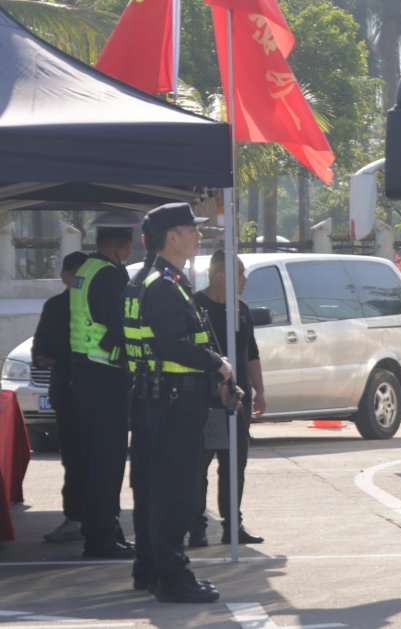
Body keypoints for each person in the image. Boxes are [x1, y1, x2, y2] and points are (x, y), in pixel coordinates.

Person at [125, 202, 235, 603]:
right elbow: (173, 344)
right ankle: (172, 578)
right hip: (173, 404)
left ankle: (150, 569)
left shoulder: (145, 279)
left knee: (151, 489)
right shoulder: (164, 285)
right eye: (192, 230)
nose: (199, 235)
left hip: (154, 399)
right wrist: (218, 366)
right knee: (175, 491)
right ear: (172, 237)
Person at [69, 211, 137, 559]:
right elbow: (119, 325)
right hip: (105, 376)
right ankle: (102, 538)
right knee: (108, 461)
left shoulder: (86, 269)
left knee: (95, 458)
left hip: (86, 374)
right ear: (122, 246)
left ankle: (102, 531)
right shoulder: (110, 276)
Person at [190, 249, 266, 547]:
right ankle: (196, 527)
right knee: (199, 468)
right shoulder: (195, 306)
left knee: (234, 467)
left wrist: (260, 390)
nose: (245, 279)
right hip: (206, 400)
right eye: (240, 273)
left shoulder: (241, 309)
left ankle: (233, 526)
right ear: (221, 276)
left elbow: (251, 353)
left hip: (238, 399)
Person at [32, 251, 90, 542]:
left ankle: (100, 519)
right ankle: (75, 518)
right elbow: (40, 351)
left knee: (98, 458)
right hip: (67, 392)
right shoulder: (55, 306)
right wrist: (50, 359)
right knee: (73, 457)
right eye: (75, 275)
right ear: (65, 276)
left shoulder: (96, 303)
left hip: (95, 393)